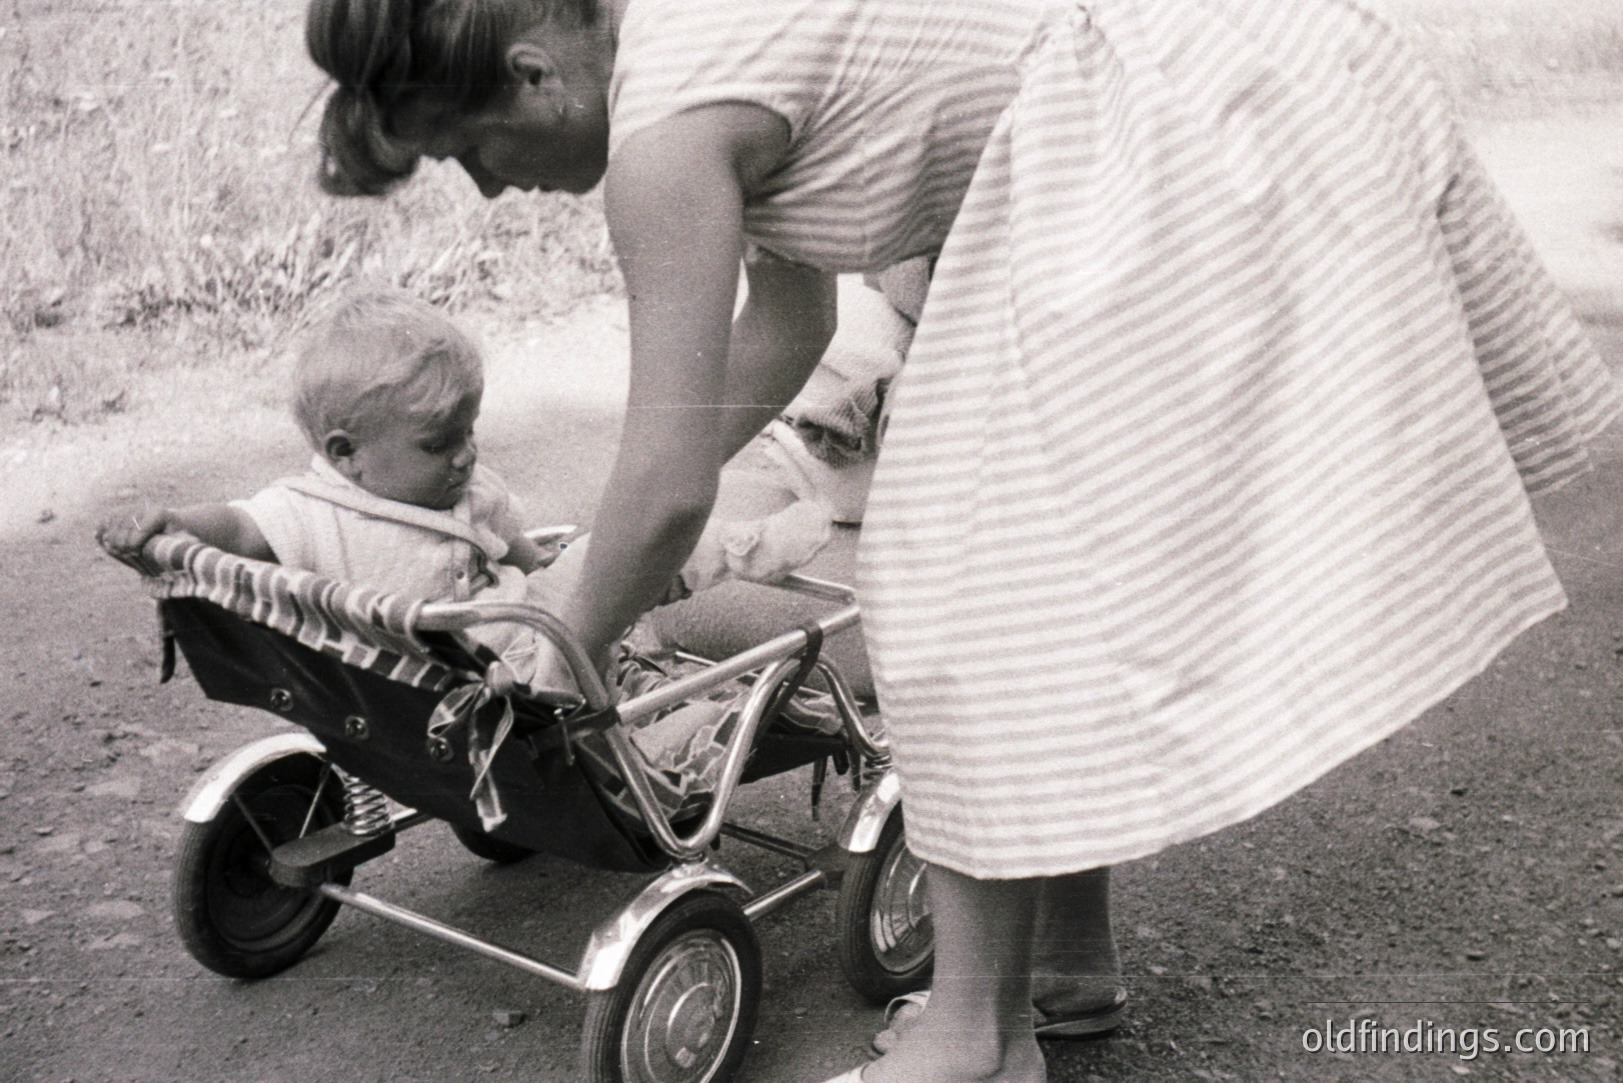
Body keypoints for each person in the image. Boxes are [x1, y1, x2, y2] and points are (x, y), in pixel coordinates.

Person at [304, 0, 1619, 1079]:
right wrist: (591, 563)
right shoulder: (684, 43)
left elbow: (663, 491)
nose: (484, 185)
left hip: (1173, 127)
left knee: (957, 583)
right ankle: (1050, 965)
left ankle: (976, 1038)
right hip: (1211, 88)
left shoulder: (658, 140)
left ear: (531, 72)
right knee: (1030, 578)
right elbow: (782, 333)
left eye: (463, 146)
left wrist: (563, 636)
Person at [97, 287, 833, 827]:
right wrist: (174, 527)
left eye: (469, 430)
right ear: (344, 454)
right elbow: (237, 527)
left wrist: (552, 568)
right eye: (439, 443)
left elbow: (521, 552)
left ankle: (724, 566)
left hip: (518, 654)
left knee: (594, 563)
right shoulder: (311, 510)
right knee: (615, 552)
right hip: (490, 692)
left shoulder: (470, 492)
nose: (466, 455)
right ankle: (734, 555)